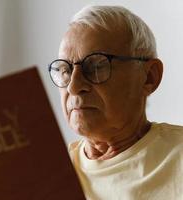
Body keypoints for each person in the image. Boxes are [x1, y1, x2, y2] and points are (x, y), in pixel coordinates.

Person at [48, 5, 183, 200]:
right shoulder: (47, 174)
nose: (74, 87)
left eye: (96, 66)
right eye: (65, 70)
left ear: (149, 78)